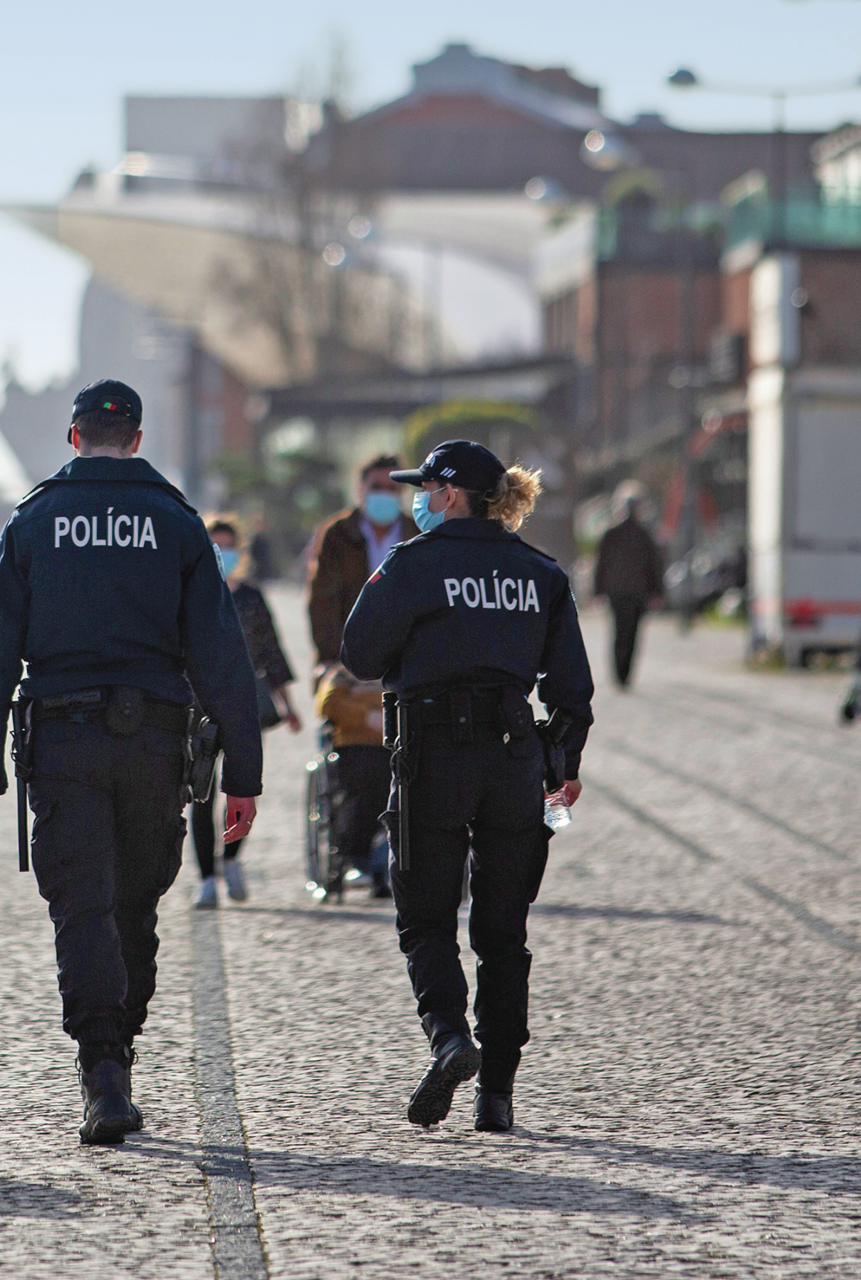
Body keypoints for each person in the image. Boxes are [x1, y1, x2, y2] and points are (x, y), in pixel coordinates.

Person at [0, 378, 264, 1146]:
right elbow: (226, 659)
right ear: (135, 439)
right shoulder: (178, 524)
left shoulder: (32, 524)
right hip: (156, 744)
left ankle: (103, 1072)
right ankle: (116, 1053)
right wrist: (246, 775)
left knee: (83, 907)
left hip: (63, 742)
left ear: (73, 438)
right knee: (134, 907)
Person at [342, 439, 594, 1135]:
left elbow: (358, 652)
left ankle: (451, 1038)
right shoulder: (540, 573)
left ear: (449, 494)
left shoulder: (415, 563)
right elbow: (573, 688)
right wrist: (563, 765)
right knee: (504, 933)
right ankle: (499, 1095)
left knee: (425, 918)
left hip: (431, 758)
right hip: (516, 761)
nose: (415, 499)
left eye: (423, 488)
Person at [191, 514, 299, 909]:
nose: (225, 554)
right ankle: (205, 877)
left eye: (230, 546)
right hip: (198, 706)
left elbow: (272, 651)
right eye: (216, 546)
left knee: (244, 786)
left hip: (245, 704)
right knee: (201, 795)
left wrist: (287, 705)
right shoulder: (192, 594)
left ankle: (232, 860)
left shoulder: (251, 598)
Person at [307, 454, 420, 670]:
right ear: (361, 489)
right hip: (349, 660)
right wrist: (335, 657)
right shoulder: (337, 534)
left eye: (392, 488)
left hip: (406, 662)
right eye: (376, 486)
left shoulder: (418, 534)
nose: (384, 493)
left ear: (403, 492)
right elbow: (322, 602)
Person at [313, 665, 394, 897]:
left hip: (397, 746)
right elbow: (328, 705)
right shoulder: (343, 674)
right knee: (367, 787)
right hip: (358, 747)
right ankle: (360, 858)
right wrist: (368, 717)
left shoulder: (401, 669)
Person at [593, 483, 666, 689]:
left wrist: (598, 591)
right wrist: (656, 592)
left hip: (618, 592)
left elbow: (601, 565)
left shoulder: (611, 533)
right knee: (632, 633)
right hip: (637, 592)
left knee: (619, 632)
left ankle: (619, 674)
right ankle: (625, 674)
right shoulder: (644, 534)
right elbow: (655, 566)